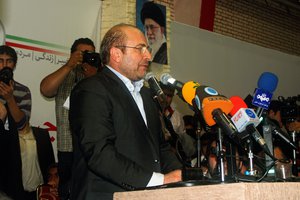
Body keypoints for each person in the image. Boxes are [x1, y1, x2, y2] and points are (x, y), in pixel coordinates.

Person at [69, 23, 182, 200]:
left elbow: (160, 148)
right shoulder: (91, 89)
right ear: (116, 54)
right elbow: (100, 153)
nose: (148, 56)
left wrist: (183, 175)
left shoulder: (146, 95)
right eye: (140, 49)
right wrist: (158, 180)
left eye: (148, 49)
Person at [40, 38, 99, 199]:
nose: (86, 57)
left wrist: (93, 75)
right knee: (66, 192)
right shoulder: (65, 74)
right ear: (73, 54)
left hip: (92, 150)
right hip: (67, 149)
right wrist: (69, 65)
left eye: (90, 53)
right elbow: (45, 89)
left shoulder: (98, 77)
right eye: (83, 53)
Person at [0, 45, 55, 200]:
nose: (4, 65)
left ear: (14, 65)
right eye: (0, 61)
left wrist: (10, 98)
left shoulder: (23, 91)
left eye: (9, 61)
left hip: (14, 150)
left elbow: (22, 124)